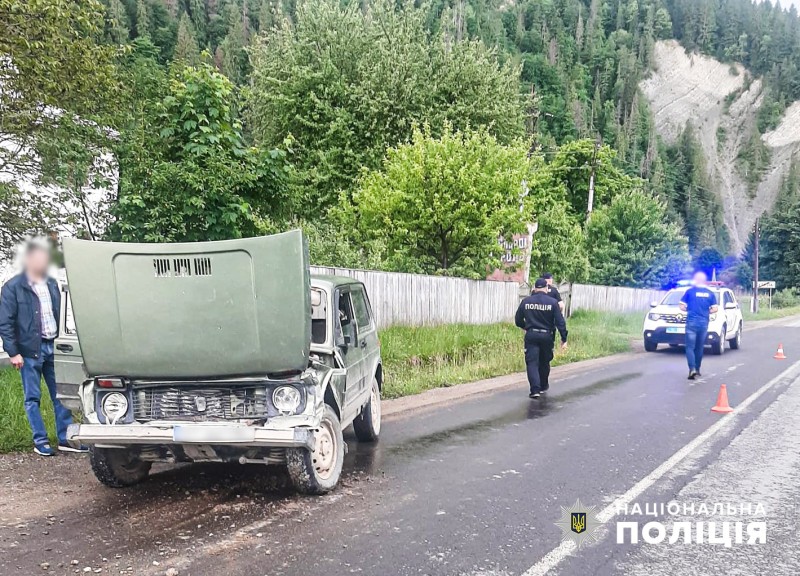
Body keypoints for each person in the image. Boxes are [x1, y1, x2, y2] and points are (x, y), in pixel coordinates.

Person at [0, 239, 87, 456]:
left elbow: (59, 312)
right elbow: (5, 322)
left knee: (60, 395)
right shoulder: (13, 287)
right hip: (28, 352)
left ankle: (65, 439)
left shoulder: (50, 283)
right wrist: (13, 352)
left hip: (53, 347)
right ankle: (40, 441)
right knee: (32, 398)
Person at [515, 278, 568, 399]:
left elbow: (518, 320)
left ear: (534, 288)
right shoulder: (553, 302)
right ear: (546, 288)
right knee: (544, 362)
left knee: (532, 363)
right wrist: (564, 338)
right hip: (547, 336)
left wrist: (526, 327)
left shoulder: (526, 301)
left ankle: (535, 390)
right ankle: (543, 386)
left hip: (531, 335)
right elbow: (560, 322)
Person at [680, 271, 718, 380]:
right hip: (703, 323)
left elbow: (681, 306)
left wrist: (689, 309)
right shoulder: (710, 293)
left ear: (696, 280)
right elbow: (715, 308)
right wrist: (707, 311)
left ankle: (692, 369)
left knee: (690, 347)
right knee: (699, 347)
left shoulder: (690, 292)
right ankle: (698, 369)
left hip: (691, 322)